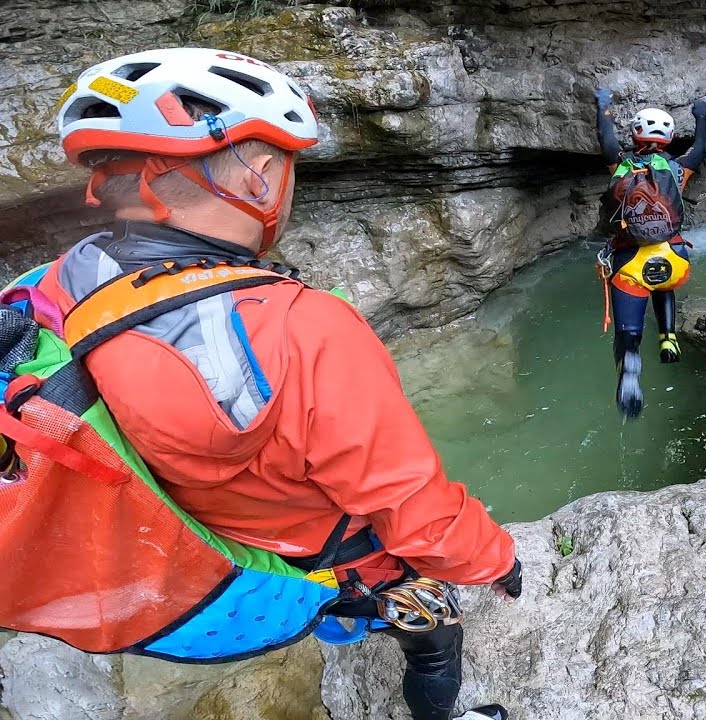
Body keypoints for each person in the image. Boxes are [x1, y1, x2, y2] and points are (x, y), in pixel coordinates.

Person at [39, 47, 518, 720]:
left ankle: (332, 618)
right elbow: (412, 508)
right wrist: (495, 560)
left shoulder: (64, 281)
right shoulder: (304, 328)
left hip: (223, 547)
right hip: (341, 558)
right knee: (437, 633)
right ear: (259, 175)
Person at [593, 88, 706, 418]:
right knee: (662, 283)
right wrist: (701, 115)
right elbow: (700, 147)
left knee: (628, 332)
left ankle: (630, 365)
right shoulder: (677, 169)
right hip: (673, 259)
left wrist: (603, 107)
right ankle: (668, 336)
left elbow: (605, 139)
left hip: (631, 261)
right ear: (670, 138)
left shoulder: (620, 165)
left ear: (634, 134)